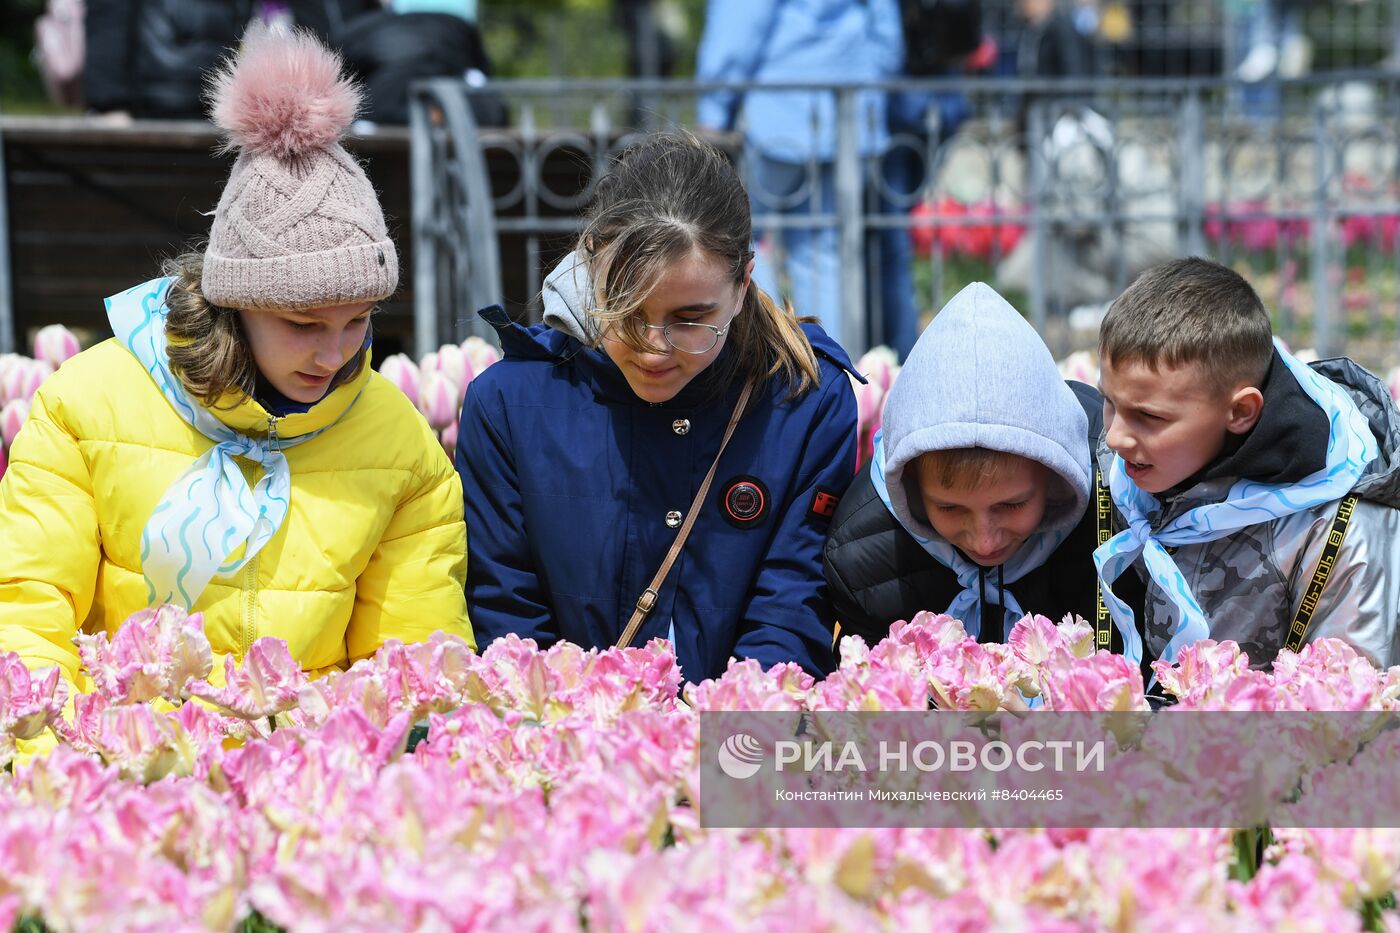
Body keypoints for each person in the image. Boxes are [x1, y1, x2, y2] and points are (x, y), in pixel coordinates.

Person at [0, 26, 473, 695]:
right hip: (124, 766)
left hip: (314, 776)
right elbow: (25, 614)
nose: (336, 354)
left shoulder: (401, 445)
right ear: (235, 302)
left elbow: (417, 665)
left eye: (359, 322)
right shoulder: (84, 404)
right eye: (303, 323)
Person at [457, 133, 860, 683]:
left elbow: (791, 609)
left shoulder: (806, 400)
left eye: (690, 319)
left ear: (742, 283)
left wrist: (725, 740)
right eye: (625, 311)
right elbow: (509, 622)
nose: (653, 348)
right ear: (590, 265)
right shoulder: (508, 405)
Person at [1095, 257, 1400, 672]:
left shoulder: (1339, 528)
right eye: (1110, 403)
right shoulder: (1128, 469)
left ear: (1241, 412)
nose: (1114, 437)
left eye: (1150, 418)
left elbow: (1344, 710)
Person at [824, 282, 1144, 655]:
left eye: (1011, 505)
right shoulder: (863, 556)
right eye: (950, 508)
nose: (985, 540)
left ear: (1055, 477)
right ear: (909, 484)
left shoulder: (1116, 513)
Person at [695, 0, 903, 347]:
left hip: (780, 115)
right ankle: (830, 373)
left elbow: (738, 28)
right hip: (849, 117)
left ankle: (772, 357)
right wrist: (866, 85)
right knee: (823, 255)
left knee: (739, 239)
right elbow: (887, 37)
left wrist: (714, 109)